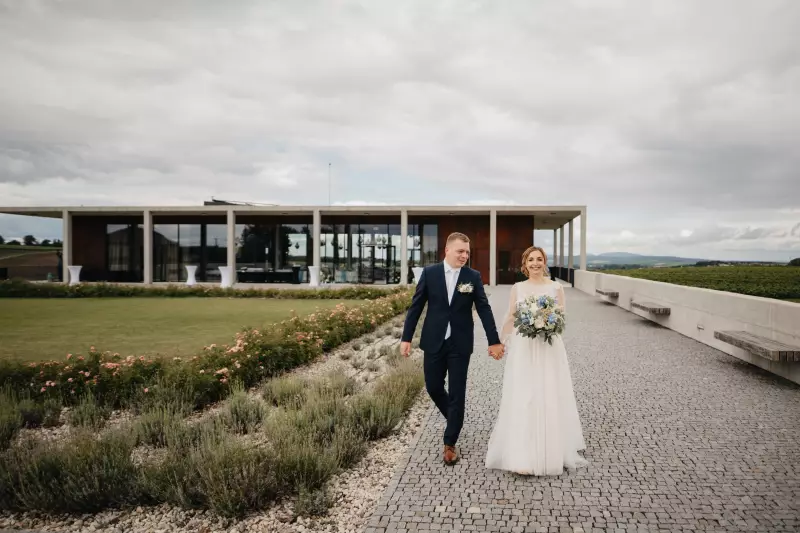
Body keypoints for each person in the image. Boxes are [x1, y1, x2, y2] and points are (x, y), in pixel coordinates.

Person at [401, 232, 505, 465]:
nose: (465, 256)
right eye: (460, 251)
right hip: (433, 341)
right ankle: (455, 418)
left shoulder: (473, 277)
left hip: (460, 342)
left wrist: (494, 340)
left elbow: (484, 309)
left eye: (467, 252)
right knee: (433, 387)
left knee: (457, 392)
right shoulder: (430, 274)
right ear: (446, 251)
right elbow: (415, 307)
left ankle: (450, 442)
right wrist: (406, 338)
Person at [485, 246, 588, 475]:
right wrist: (500, 342)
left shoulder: (556, 288)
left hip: (548, 348)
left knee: (547, 393)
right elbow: (511, 316)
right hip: (524, 347)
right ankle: (522, 455)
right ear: (525, 263)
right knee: (524, 395)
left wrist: (546, 325)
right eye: (530, 259)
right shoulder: (518, 288)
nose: (535, 263)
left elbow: (561, 319)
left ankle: (550, 452)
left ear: (545, 262)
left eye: (539, 259)